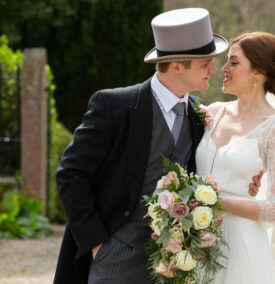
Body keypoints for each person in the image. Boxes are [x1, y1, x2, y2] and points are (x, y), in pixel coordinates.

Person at [53, 8, 261, 284]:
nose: (214, 69)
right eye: (205, 63)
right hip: (114, 256)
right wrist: (97, 245)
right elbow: (70, 173)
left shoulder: (201, 114)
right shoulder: (114, 106)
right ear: (176, 66)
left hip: (174, 261)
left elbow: (212, 166)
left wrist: (248, 179)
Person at [195, 32, 275, 284]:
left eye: (234, 62)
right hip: (195, 238)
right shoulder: (213, 113)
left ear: (259, 72)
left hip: (239, 243)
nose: (224, 69)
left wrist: (215, 202)